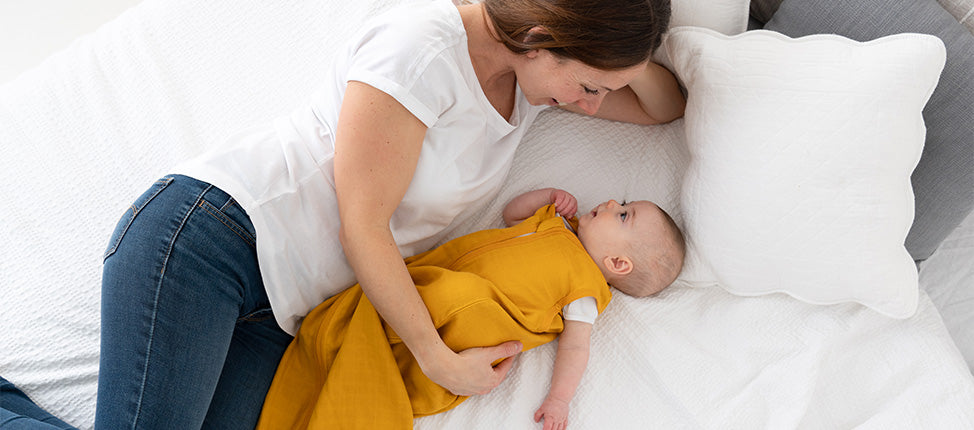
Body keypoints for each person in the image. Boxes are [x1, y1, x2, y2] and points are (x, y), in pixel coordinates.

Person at [95, 0, 686, 428]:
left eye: (602, 91)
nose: (592, 105)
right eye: (588, 85)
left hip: (288, 316)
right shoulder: (421, 45)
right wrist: (438, 360)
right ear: (539, 37)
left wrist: (626, 60)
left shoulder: (530, 86)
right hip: (219, 241)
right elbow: (364, 226)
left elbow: (666, 108)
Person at [256, 188, 686, 429]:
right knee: (413, 297)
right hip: (433, 281)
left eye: (624, 215)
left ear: (618, 265)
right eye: (622, 203)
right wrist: (543, 196)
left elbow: (576, 349)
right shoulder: (556, 222)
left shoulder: (587, 292)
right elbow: (509, 214)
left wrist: (559, 399)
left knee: (455, 305)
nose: (611, 203)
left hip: (471, 317)